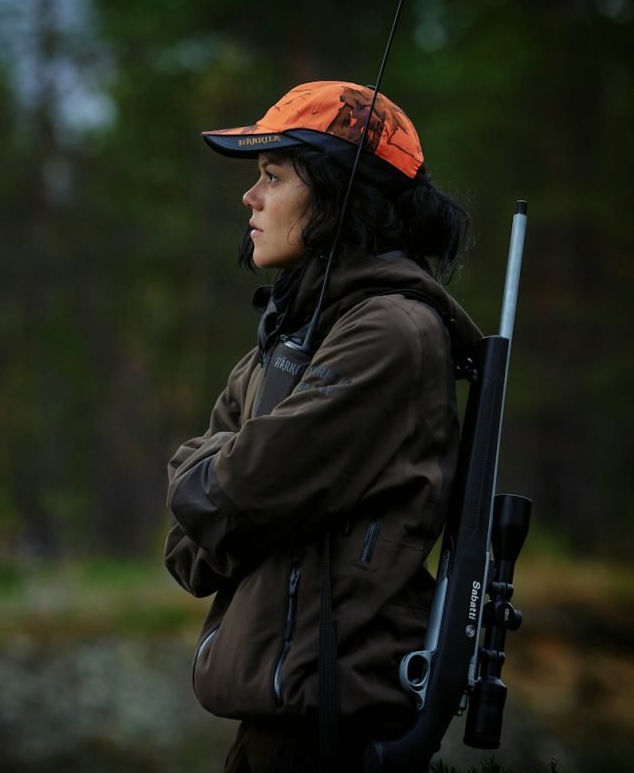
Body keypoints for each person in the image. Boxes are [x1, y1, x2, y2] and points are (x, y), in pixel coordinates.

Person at [163, 80, 483, 773]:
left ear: (342, 198)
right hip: (278, 722)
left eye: (273, 178)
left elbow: (237, 489)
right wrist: (228, 488)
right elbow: (187, 549)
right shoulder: (291, 337)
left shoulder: (389, 332)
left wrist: (225, 484)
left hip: (335, 725)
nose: (250, 199)